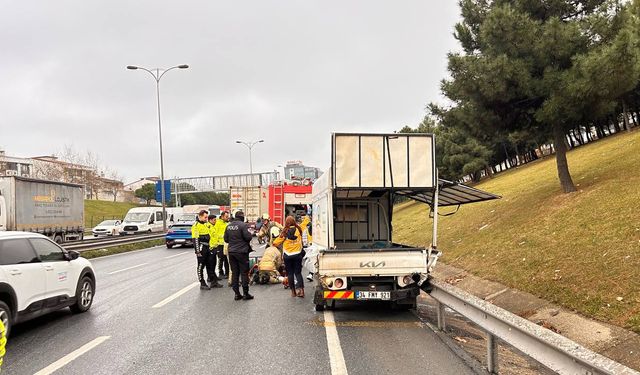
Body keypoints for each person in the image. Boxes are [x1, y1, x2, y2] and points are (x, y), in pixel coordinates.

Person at [224, 210, 254, 301]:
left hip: (232, 252)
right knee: (244, 273)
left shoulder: (228, 226)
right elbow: (248, 237)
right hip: (242, 252)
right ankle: (245, 294)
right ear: (242, 217)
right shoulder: (243, 225)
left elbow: (226, 239)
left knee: (235, 273)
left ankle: (237, 294)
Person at [274, 216, 305, 298]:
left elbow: (275, 243)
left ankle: (293, 292)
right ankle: (301, 291)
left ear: (286, 223)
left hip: (287, 255)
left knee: (290, 273)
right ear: (294, 222)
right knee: (298, 273)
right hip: (298, 254)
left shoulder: (284, 232)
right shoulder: (298, 229)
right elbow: (305, 223)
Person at [192, 210, 221, 290]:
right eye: (205, 217)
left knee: (210, 265)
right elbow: (195, 239)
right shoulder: (196, 226)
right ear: (200, 216)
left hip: (208, 247)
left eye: (207, 217)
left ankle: (213, 281)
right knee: (201, 266)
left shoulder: (206, 224)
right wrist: (197, 251)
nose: (206, 218)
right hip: (201, 248)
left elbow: (212, 235)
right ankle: (202, 283)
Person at [211, 210, 230, 279]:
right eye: (226, 216)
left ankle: (227, 273)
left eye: (228, 216)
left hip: (226, 244)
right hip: (219, 244)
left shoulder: (227, 223)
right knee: (220, 259)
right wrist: (223, 236)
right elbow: (214, 233)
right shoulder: (217, 223)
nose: (228, 218)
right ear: (222, 217)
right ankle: (220, 272)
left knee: (227, 259)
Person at [206, 214, 223, 286]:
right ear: (210, 220)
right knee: (211, 265)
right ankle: (213, 282)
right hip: (211, 248)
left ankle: (212, 278)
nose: (215, 221)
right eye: (214, 220)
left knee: (213, 264)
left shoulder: (212, 226)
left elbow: (215, 236)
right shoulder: (208, 226)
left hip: (214, 247)